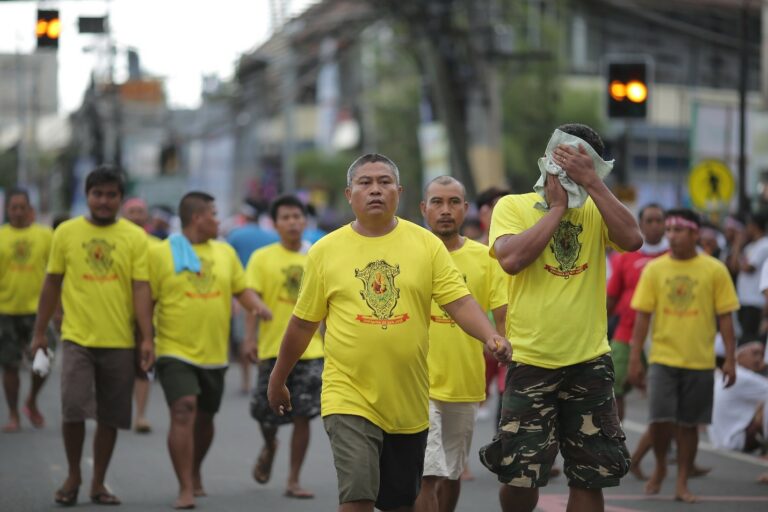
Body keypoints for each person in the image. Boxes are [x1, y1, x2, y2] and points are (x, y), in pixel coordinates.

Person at [267, 153, 512, 512]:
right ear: (349, 194)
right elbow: (303, 322)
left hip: (409, 400)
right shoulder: (324, 251)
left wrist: (490, 337)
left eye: (384, 182)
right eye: (365, 183)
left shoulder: (425, 245)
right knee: (358, 497)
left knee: (400, 503)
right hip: (348, 394)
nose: (375, 190)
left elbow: (459, 302)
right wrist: (278, 378)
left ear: (399, 191)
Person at [480, 123, 642, 512]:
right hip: (531, 362)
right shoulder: (513, 206)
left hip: (589, 363)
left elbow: (634, 240)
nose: (566, 172)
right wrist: (556, 209)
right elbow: (512, 260)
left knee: (590, 477)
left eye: (579, 165)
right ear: (547, 161)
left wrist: (595, 186)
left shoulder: (598, 208)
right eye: (561, 160)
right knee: (520, 476)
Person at [31, 166, 154, 506]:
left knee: (111, 416)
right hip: (76, 338)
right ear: (87, 196)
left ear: (120, 198)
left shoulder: (134, 236)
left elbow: (141, 287)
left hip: (119, 340)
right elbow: (52, 283)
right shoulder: (66, 233)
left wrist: (146, 338)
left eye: (111, 194)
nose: (103, 201)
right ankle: (73, 474)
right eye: (97, 194)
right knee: (72, 408)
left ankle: (98, 482)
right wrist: (39, 332)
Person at [149, 191, 271, 509]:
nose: (219, 221)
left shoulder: (224, 252)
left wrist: (259, 307)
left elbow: (241, 289)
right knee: (183, 408)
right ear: (197, 218)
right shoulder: (163, 253)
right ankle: (185, 486)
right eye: (214, 215)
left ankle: (195, 469)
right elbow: (145, 298)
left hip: (214, 353)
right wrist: (145, 341)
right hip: (174, 349)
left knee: (205, 418)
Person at [628, 208, 739, 503]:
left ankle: (681, 481)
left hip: (700, 360)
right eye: (669, 231)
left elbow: (725, 317)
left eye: (678, 231)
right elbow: (642, 317)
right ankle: (662, 467)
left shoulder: (714, 269)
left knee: (690, 425)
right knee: (660, 420)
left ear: (694, 234)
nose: (672, 237)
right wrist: (635, 358)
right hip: (663, 358)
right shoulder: (655, 269)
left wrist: (730, 358)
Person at [413, 176, 507, 512]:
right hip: (416, 382)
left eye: (454, 202)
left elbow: (502, 319)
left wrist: (505, 351)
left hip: (464, 382)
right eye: (436, 202)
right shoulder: (410, 255)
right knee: (427, 472)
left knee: (451, 474)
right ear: (424, 209)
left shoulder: (487, 258)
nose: (445, 210)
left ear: (465, 209)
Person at [243, 194, 324, 499]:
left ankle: (293, 478)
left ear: (305, 221)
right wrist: (249, 339)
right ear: (275, 223)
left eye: (297, 217)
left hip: (312, 350)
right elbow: (253, 299)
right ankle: (270, 443)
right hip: (272, 349)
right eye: (285, 217)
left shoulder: (317, 255)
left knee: (304, 413)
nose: (292, 222)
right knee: (266, 412)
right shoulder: (262, 258)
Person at [0, 189, 54, 432]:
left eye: (23, 207)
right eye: (14, 207)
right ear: (7, 210)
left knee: (43, 361)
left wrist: (60, 309)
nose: (18, 212)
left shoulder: (45, 236)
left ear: (29, 208)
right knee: (10, 365)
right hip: (5, 310)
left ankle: (31, 399)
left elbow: (56, 274)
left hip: (38, 311)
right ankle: (13, 414)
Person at [121, 197, 159, 434]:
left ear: (147, 217)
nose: (135, 215)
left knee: (143, 366)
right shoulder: (116, 242)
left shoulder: (157, 246)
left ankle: (141, 415)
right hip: (115, 314)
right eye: (131, 211)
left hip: (147, 316)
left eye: (140, 211)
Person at [708, 341, 767, 453]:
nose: (759, 360)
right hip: (735, 441)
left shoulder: (729, 374)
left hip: (720, 440)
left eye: (762, 355)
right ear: (739, 355)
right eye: (754, 354)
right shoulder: (741, 376)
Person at [732, 212, 768, 343]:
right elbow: (734, 267)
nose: (746, 229)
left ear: (755, 226)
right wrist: (737, 244)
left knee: (749, 340)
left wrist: (738, 244)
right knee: (743, 337)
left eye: (748, 225)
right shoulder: (750, 246)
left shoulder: (765, 245)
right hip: (744, 300)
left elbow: (748, 268)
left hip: (756, 301)